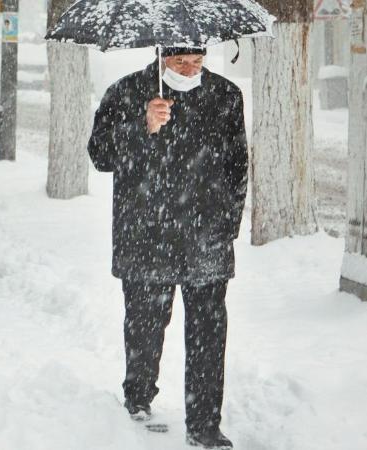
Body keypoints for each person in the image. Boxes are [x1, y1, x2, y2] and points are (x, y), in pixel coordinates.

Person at [86, 47, 248, 449]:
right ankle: (138, 400)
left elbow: (237, 164)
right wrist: (142, 127)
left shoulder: (226, 97)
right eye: (180, 62)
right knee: (145, 329)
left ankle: (205, 427)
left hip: (205, 237)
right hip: (146, 235)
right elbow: (100, 155)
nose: (190, 69)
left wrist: (227, 225)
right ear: (162, 58)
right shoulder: (126, 92)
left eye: (197, 60)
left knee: (209, 336)